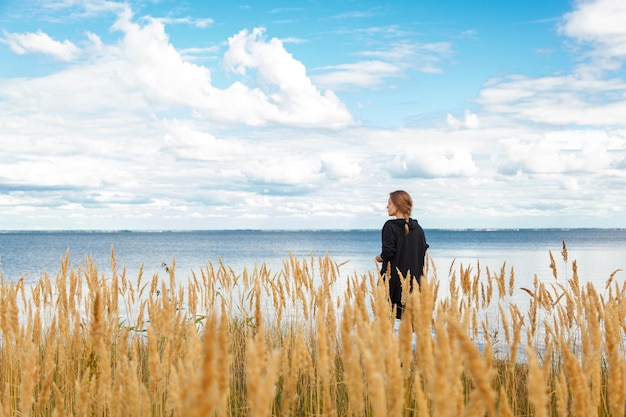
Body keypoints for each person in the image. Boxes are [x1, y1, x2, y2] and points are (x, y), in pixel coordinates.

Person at [375, 190, 429, 322]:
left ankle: (390, 342)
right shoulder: (418, 229)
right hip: (413, 285)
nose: (387, 206)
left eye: (389, 203)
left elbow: (388, 252)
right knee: (410, 326)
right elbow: (421, 253)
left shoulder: (390, 226)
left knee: (385, 321)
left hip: (391, 283)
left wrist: (379, 258)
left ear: (397, 206)